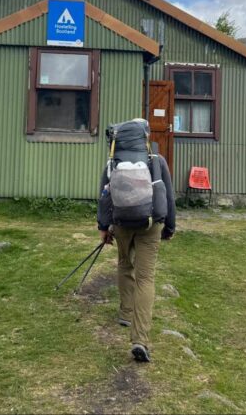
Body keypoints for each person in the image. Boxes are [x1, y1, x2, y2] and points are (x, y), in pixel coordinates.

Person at [97, 150, 176, 363]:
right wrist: (170, 227)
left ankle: (126, 314)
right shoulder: (157, 161)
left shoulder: (113, 162)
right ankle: (140, 339)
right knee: (145, 278)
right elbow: (168, 196)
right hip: (151, 224)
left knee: (125, 264)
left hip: (121, 223)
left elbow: (104, 195)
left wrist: (103, 227)